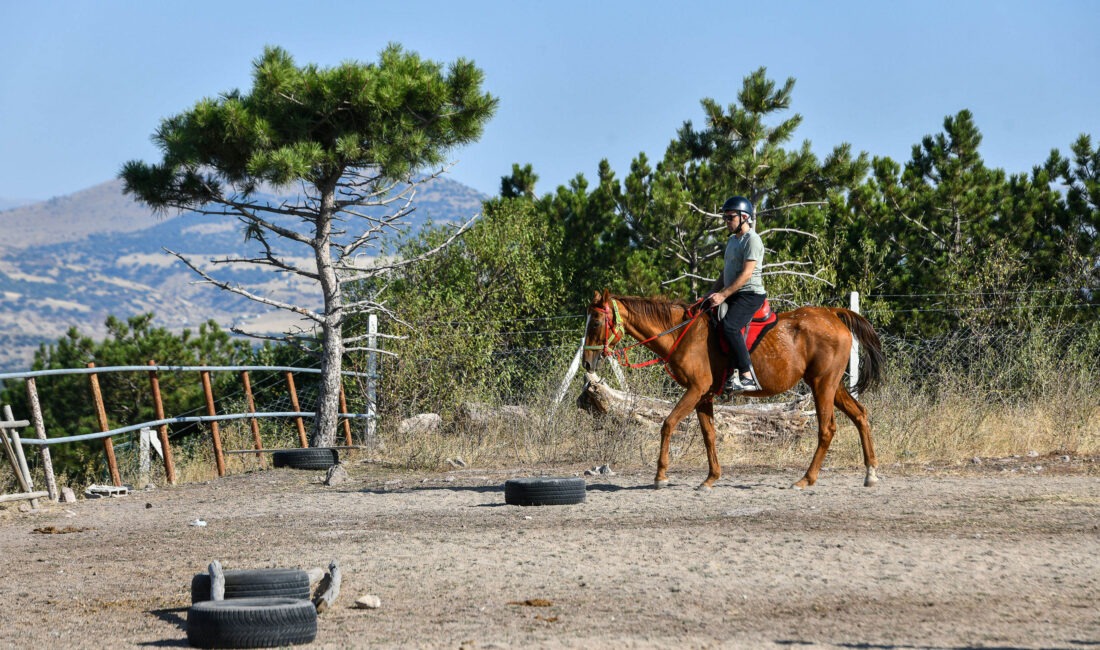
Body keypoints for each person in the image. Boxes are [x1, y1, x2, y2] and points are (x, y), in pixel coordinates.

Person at [703, 195, 766, 393]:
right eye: (725, 218)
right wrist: (711, 293)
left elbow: (746, 274)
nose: (727, 222)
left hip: (749, 294)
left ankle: (747, 375)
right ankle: (727, 373)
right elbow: (726, 273)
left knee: (729, 326)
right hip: (733, 293)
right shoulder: (732, 241)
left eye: (730, 217)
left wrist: (722, 296)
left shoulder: (752, 240)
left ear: (744, 217)